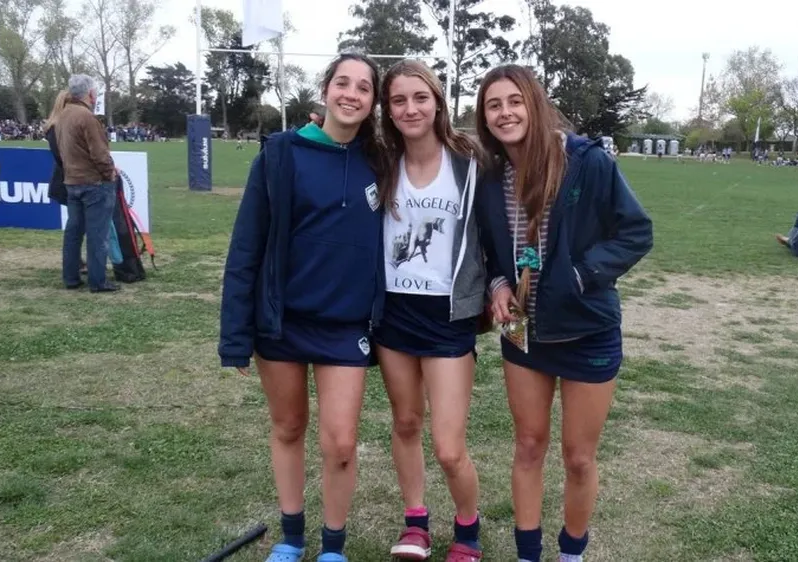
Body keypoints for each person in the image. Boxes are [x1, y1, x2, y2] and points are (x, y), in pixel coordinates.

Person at [473, 65, 653, 562]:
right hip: (522, 333)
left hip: (587, 330)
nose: (505, 112)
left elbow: (635, 232)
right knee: (528, 446)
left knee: (578, 457)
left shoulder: (585, 162)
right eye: (494, 105)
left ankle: (571, 552)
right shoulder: (490, 177)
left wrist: (578, 276)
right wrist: (497, 284)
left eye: (515, 101)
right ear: (484, 118)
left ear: (534, 103)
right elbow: (489, 247)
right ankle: (527, 553)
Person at [218, 53, 387, 562]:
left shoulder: (382, 161)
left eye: (363, 87)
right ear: (326, 88)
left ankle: (333, 546)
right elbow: (246, 247)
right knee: (289, 427)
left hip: (345, 327)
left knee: (340, 443)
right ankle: (292, 537)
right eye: (343, 83)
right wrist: (235, 334)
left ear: (373, 101)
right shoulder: (280, 154)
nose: (351, 94)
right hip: (282, 322)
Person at [372, 60, 486, 562]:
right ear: (388, 110)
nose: (410, 108)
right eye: (399, 100)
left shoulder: (470, 161)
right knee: (405, 424)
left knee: (448, 446)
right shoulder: (379, 161)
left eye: (420, 97)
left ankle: (468, 530)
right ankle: (415, 523)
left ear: (437, 101)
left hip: (448, 316)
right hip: (394, 314)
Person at [55, 74, 118, 293]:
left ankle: (71, 277)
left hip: (72, 181)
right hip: (94, 183)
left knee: (73, 232)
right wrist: (110, 173)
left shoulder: (62, 116)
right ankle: (98, 280)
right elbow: (100, 153)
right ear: (90, 94)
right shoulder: (87, 117)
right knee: (97, 233)